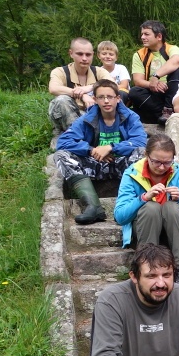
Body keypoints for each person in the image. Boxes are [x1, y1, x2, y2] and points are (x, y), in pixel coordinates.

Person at [54, 79, 146, 225]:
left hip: (123, 165)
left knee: (142, 153)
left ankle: (133, 205)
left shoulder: (131, 117)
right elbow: (63, 142)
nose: (106, 101)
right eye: (101, 97)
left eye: (110, 97)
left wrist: (111, 147)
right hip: (95, 164)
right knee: (61, 155)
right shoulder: (87, 119)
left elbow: (140, 141)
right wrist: (92, 150)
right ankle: (93, 206)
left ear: (118, 98)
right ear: (95, 100)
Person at [114, 134, 179, 291]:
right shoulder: (132, 173)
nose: (162, 167)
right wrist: (144, 198)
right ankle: (146, 266)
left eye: (167, 162)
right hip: (146, 229)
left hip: (176, 230)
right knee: (151, 208)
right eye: (156, 162)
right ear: (146, 155)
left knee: (171, 207)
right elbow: (120, 216)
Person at [48, 37, 112, 136]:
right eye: (80, 54)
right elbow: (53, 88)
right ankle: (74, 135)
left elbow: (112, 85)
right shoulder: (60, 71)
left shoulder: (99, 71)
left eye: (88, 54)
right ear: (71, 53)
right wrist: (82, 95)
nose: (84, 58)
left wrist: (91, 87)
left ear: (93, 55)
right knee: (61, 100)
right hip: (67, 116)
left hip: (92, 115)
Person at [128, 20, 179, 125]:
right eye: (142, 34)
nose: (142, 37)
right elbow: (138, 80)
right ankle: (163, 115)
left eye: (146, 34)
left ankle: (168, 110)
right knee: (134, 91)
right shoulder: (139, 54)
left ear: (159, 36)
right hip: (153, 93)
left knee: (178, 72)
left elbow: (176, 61)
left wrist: (156, 76)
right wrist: (152, 84)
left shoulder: (172, 49)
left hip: (172, 91)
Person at [97, 40, 130, 105]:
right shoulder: (98, 71)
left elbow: (124, 85)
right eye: (104, 54)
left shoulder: (121, 68)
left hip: (121, 95)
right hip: (105, 96)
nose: (107, 56)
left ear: (116, 57)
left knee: (121, 92)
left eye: (111, 54)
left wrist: (109, 91)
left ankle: (120, 110)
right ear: (99, 56)